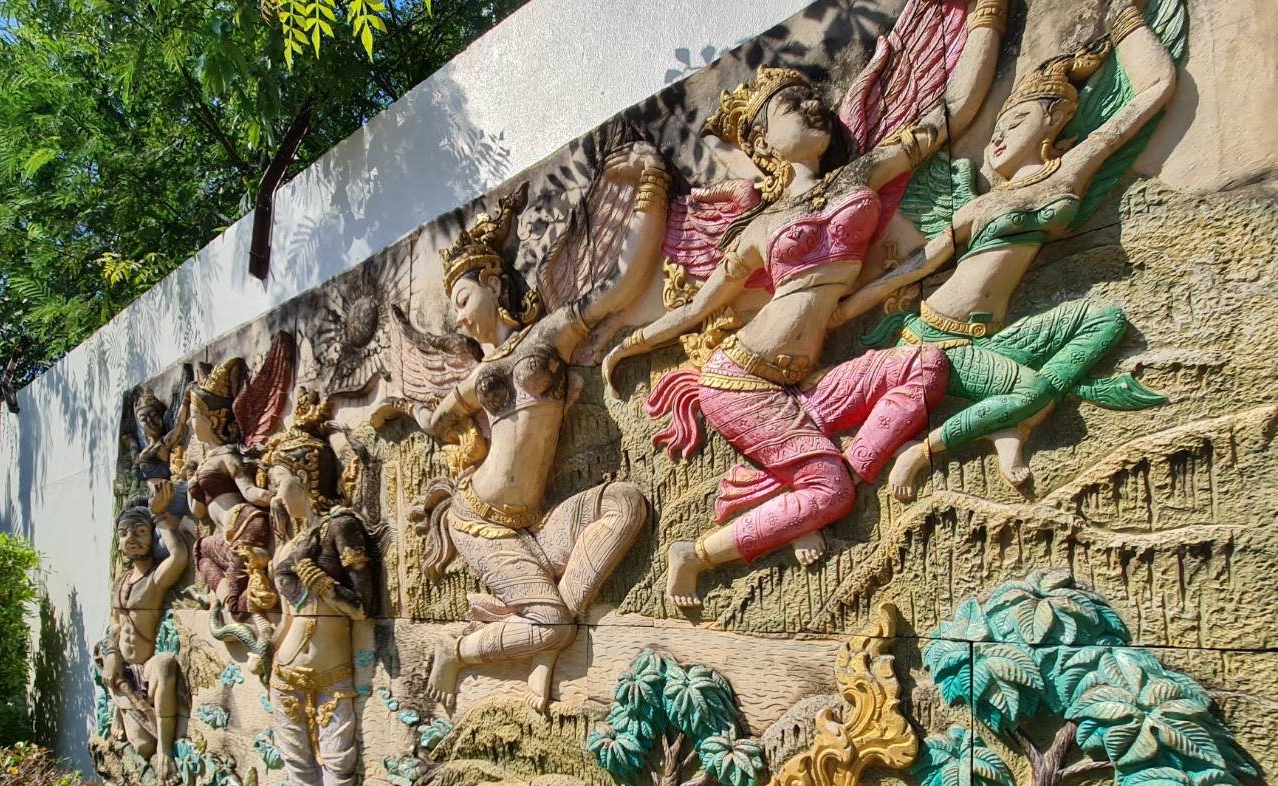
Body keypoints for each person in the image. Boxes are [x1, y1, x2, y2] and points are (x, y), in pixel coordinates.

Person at [601, 0, 1005, 607]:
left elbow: (955, 112)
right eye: (793, 104)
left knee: (925, 366)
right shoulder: (758, 229)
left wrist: (987, 15)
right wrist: (627, 347)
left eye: (814, 98)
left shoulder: (860, 175)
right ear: (764, 140)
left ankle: (815, 480)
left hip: (802, 383)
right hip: (739, 379)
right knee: (831, 492)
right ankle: (698, 553)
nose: (814, 106)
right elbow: (695, 311)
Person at [832, 2, 1178, 495]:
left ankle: (1011, 418)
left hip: (991, 339)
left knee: (1105, 321)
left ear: (1055, 118)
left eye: (1014, 123)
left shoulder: (1068, 172)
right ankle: (926, 449)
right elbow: (917, 266)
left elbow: (1155, 88)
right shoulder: (981, 203)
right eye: (996, 129)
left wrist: (1126, 18)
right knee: (1030, 389)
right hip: (936, 340)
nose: (997, 138)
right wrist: (849, 309)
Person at [383, 145, 669, 711]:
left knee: (626, 503)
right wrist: (397, 408)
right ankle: (461, 650)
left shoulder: (549, 336)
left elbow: (623, 282)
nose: (459, 316)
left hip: (533, 527)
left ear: (494, 283)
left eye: (463, 298)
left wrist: (653, 184)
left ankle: (544, 636)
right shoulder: (476, 377)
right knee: (551, 620)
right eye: (454, 307)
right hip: (477, 519)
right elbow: (435, 420)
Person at [261, 391, 378, 786]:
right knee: (297, 762)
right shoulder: (290, 540)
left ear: (304, 477)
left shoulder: (340, 526)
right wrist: (264, 643)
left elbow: (363, 607)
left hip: (331, 670)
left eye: (280, 482)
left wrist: (326, 586)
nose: (276, 494)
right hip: (284, 670)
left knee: (337, 760)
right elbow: (288, 613)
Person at [184, 357, 278, 661]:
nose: (189, 424)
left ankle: (262, 619)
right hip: (230, 533)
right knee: (200, 549)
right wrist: (191, 486)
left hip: (245, 523)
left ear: (213, 419)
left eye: (194, 416)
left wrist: (277, 496)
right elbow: (199, 512)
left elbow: (249, 492)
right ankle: (237, 606)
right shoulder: (205, 463)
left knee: (237, 609)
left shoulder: (228, 457)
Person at [97, 484, 187, 782]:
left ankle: (166, 751)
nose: (131, 539)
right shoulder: (121, 580)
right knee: (139, 746)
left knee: (165, 664)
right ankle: (119, 708)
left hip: (146, 667)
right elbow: (114, 626)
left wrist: (159, 515)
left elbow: (179, 556)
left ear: (152, 537)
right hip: (123, 670)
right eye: (124, 534)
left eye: (140, 532)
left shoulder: (155, 579)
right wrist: (112, 656)